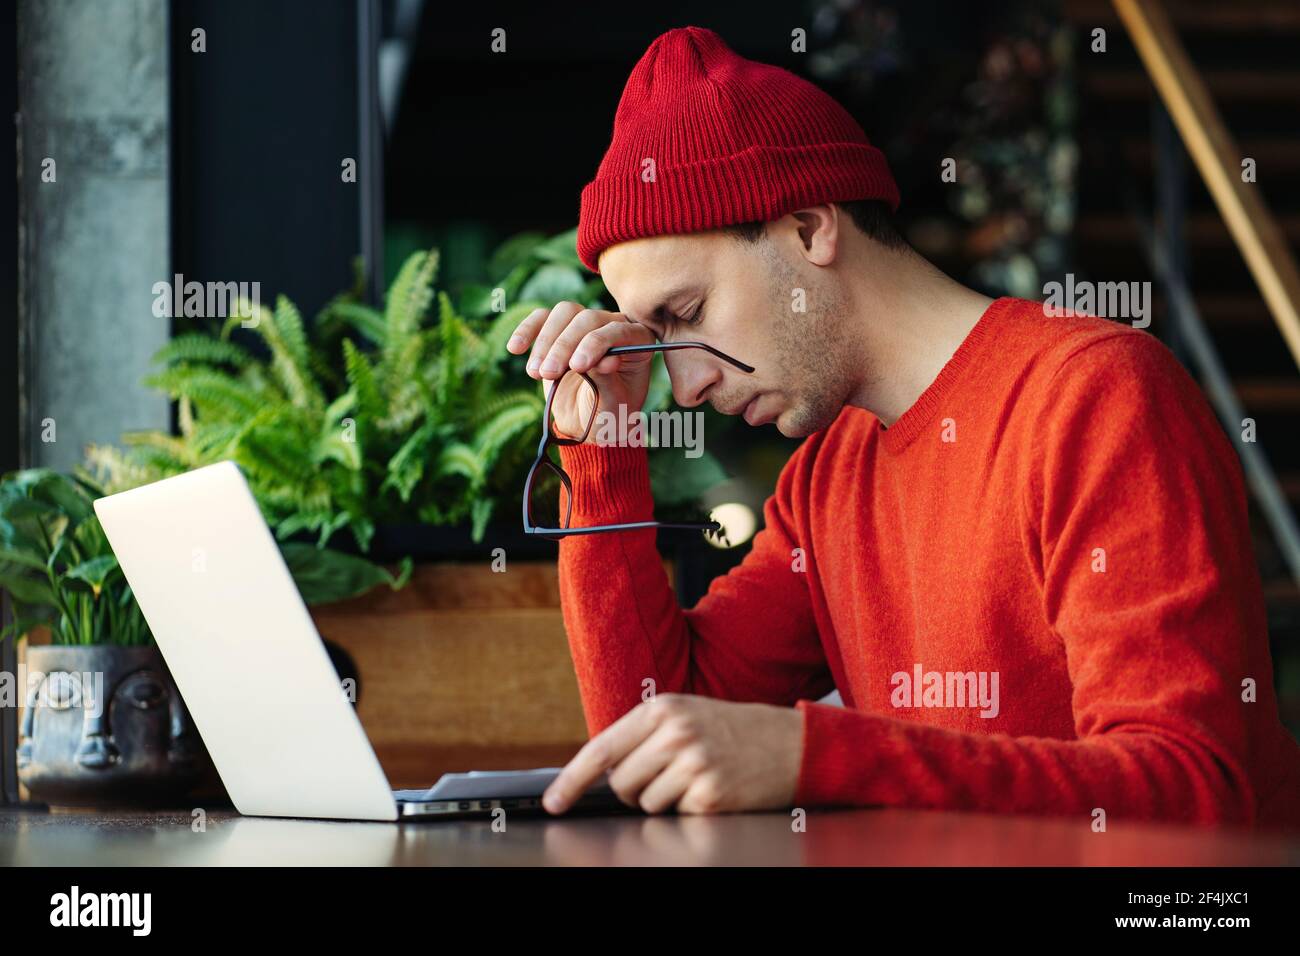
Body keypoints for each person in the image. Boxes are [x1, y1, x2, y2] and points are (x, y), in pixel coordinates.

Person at [505, 26, 1300, 829]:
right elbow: (652, 732)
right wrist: (601, 447)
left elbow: (1191, 789)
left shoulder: (1095, 395)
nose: (686, 383)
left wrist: (819, 756)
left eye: (688, 315)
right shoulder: (828, 471)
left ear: (811, 228)